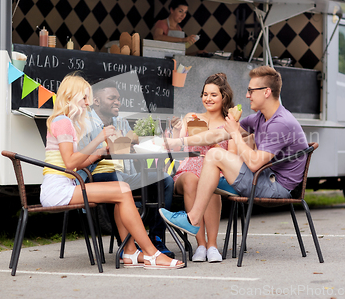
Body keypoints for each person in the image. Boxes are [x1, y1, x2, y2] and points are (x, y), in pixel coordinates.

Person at [41, 74, 183, 269]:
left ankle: (131, 252)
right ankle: (151, 253)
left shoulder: (67, 122)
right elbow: (70, 163)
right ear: (71, 96)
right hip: (57, 189)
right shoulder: (63, 121)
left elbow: (78, 163)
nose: (87, 103)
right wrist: (99, 138)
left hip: (68, 185)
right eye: (84, 98)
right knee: (122, 190)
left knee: (123, 190)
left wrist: (99, 152)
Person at [159, 66, 309, 236]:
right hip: (265, 177)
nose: (247, 95)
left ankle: (192, 220)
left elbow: (254, 163)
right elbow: (217, 134)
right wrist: (178, 141)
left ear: (266, 92)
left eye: (251, 91)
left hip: (277, 186)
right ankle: (199, 232)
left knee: (214, 155)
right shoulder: (260, 117)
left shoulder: (281, 122)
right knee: (209, 165)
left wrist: (235, 134)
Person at [84, 78, 176, 259]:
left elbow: (127, 149)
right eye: (112, 98)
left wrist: (135, 143)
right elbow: (78, 156)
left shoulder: (120, 122)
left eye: (118, 98)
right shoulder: (84, 123)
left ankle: (156, 237)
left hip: (124, 174)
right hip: (94, 175)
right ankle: (126, 246)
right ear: (96, 101)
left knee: (165, 180)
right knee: (114, 180)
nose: (117, 102)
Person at [172, 73, 236, 263]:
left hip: (216, 169)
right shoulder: (191, 117)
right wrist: (176, 130)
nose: (208, 98)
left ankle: (213, 245)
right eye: (205, 94)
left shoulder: (229, 123)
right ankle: (200, 244)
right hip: (188, 168)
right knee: (193, 179)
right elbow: (175, 147)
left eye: (213, 95)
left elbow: (232, 155)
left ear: (224, 97)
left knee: (211, 180)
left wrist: (218, 149)